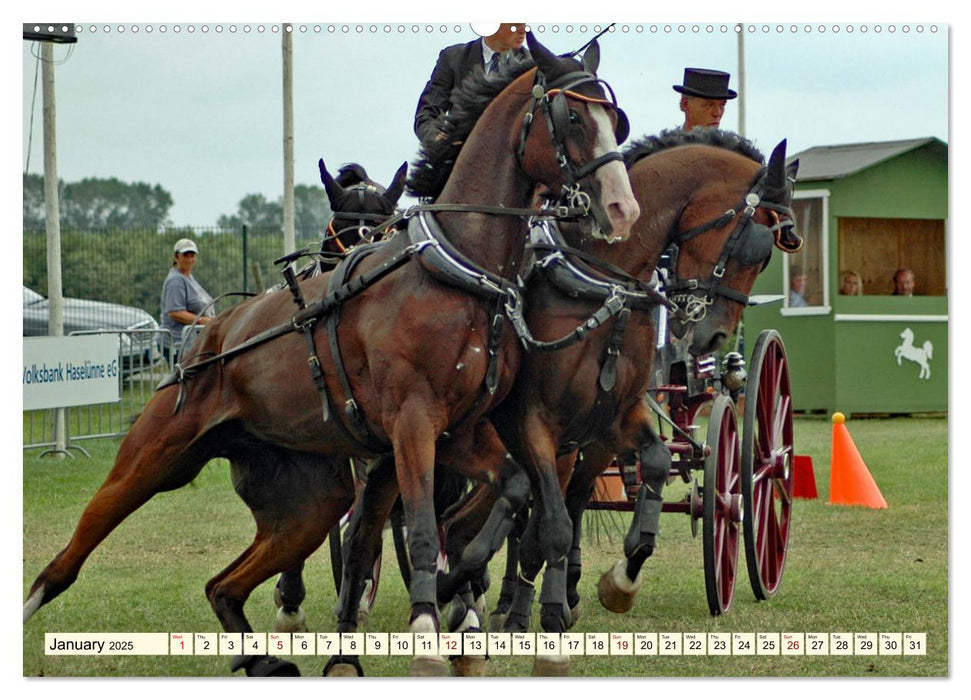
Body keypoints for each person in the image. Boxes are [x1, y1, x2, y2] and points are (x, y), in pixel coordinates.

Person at [414, 23, 528, 147]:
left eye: (524, 24)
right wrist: (437, 138)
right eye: (514, 25)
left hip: (513, 157)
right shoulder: (453, 59)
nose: (523, 31)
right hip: (462, 154)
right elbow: (427, 113)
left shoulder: (537, 67)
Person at [160, 238, 214, 361]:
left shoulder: (188, 277)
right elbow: (174, 312)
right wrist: (201, 321)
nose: (189, 259)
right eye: (185, 255)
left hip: (191, 342)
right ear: (176, 256)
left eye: (192, 255)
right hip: (178, 343)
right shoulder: (176, 280)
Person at [673, 68, 738, 131]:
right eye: (709, 105)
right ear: (685, 104)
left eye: (722, 105)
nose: (717, 113)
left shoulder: (732, 142)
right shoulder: (667, 142)